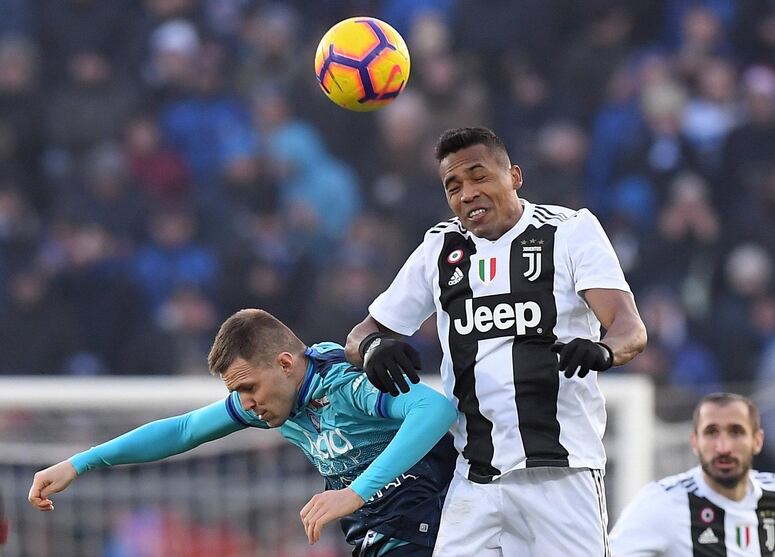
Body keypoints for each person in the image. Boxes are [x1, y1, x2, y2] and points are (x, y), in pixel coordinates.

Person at [345, 127, 648, 556]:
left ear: (515, 177)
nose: (467, 193)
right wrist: (375, 348)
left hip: (561, 477)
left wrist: (602, 350)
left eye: (478, 176)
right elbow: (360, 336)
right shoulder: (440, 249)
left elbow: (630, 329)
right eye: (454, 186)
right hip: (476, 481)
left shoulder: (570, 232)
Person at [28, 309, 458, 557]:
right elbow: (183, 430)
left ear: (286, 364)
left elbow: (434, 409)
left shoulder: (347, 385)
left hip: (432, 524)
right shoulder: (278, 401)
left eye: (248, 387)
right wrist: (80, 462)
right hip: (380, 532)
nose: (245, 403)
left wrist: (356, 492)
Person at [610, 392, 775, 556]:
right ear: (695, 442)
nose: (723, 447)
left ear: (757, 441)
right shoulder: (661, 502)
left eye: (736, 432)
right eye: (711, 432)